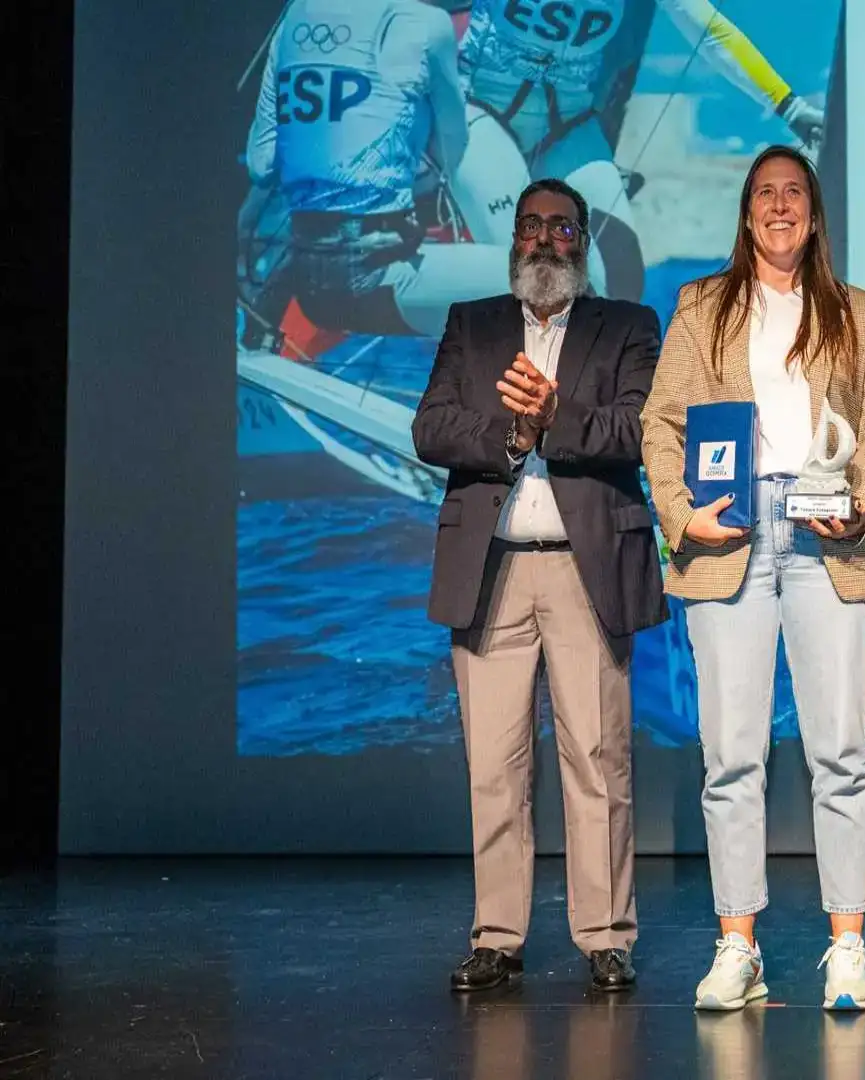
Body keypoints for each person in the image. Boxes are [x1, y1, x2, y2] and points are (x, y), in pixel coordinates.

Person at [639, 146, 865, 1012]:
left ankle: (848, 946)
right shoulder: (702, 306)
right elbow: (659, 423)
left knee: (840, 751)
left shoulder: (859, 313)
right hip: (730, 536)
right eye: (765, 195)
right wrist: (682, 516)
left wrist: (860, 504)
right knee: (732, 756)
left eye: (794, 193)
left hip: (827, 539)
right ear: (746, 213)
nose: (780, 207)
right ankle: (737, 946)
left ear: (814, 213)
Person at [411, 177, 667, 993]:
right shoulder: (473, 323)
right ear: (513, 238)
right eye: (531, 225)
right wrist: (512, 433)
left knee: (598, 760)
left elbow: (641, 429)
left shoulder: (626, 326)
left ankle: (604, 935)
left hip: (585, 565)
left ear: (582, 242)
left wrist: (553, 420)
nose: (545, 239)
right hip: (490, 569)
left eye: (562, 227)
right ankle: (497, 935)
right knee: (495, 764)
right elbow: (432, 428)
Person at [450, 0, 831, 303]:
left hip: (567, 124)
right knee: (529, 272)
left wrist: (790, 107)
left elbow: (709, 31)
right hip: (482, 112)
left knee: (622, 277)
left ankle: (591, 391)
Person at [241, 0, 508, 342]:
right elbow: (454, 147)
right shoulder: (430, 22)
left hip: (307, 286)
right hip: (374, 275)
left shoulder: (294, 18)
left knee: (471, 326)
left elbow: (260, 162)